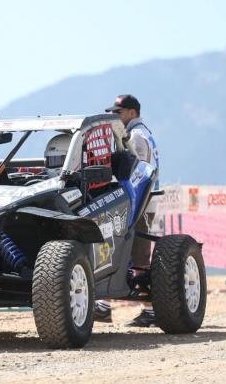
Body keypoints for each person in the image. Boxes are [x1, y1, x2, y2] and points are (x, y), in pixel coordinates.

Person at [95, 94, 161, 327]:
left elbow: (138, 172)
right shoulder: (142, 133)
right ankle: (103, 305)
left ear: (131, 113)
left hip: (140, 200)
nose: (115, 116)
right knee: (121, 250)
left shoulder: (137, 136)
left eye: (118, 112)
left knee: (138, 255)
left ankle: (150, 310)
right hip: (143, 199)